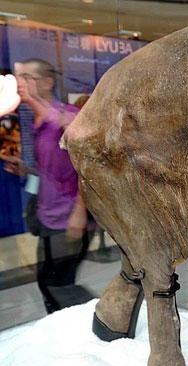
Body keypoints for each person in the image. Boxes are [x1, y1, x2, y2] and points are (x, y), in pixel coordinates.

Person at [3, 58, 89, 314]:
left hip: (67, 217)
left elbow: (88, 166)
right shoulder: (37, 123)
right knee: (46, 282)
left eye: (26, 77)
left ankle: (103, 320)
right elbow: (53, 170)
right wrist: (26, 169)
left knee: (59, 285)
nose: (20, 82)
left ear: (47, 82)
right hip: (47, 216)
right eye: (18, 76)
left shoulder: (67, 116)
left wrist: (80, 212)